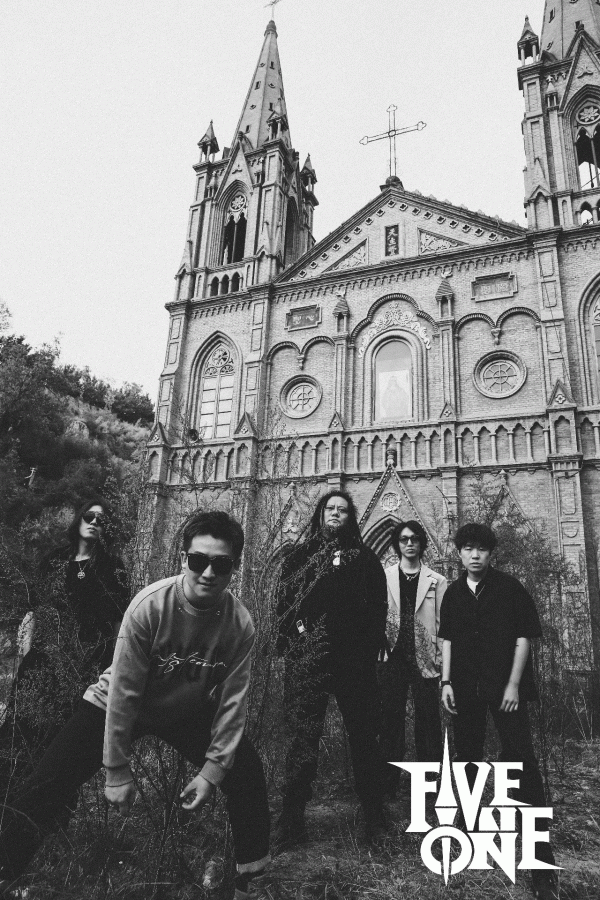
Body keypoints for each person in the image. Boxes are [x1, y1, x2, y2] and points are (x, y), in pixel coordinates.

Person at [0, 510, 270, 900]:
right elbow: (124, 692)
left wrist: (211, 774)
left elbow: (233, 704)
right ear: (184, 559)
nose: (209, 572)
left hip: (183, 709)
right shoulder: (150, 605)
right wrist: (116, 769)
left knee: (246, 770)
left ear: (235, 567)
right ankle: (5, 869)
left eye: (221, 564)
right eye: (199, 560)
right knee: (47, 783)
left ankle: (250, 882)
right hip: (116, 703)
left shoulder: (239, 624)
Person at [439, 523, 559, 900]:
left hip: (506, 689)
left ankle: (541, 863)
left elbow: (523, 637)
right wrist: (445, 682)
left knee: (522, 762)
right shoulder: (453, 593)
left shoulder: (510, 588)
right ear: (460, 553)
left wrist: (513, 684)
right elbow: (447, 639)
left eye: (482, 549)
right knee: (467, 759)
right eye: (468, 548)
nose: (475, 555)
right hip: (465, 689)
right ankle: (469, 835)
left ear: (491, 553)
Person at [275, 491, 388, 848]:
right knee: (303, 738)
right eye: (330, 509)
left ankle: (374, 817)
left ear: (351, 518)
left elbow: (379, 609)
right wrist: (297, 640)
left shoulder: (365, 559)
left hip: (354, 664)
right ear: (320, 515)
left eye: (343, 510)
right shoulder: (299, 557)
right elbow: (284, 604)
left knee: (364, 737)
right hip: (309, 660)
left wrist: (366, 649)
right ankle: (292, 820)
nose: (336, 514)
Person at [0, 498, 128, 789]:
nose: (94, 522)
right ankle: (9, 798)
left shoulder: (112, 567)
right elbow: (34, 610)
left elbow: (119, 622)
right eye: (89, 516)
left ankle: (50, 807)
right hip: (43, 660)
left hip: (86, 665)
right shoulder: (55, 560)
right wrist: (27, 653)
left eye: (101, 520)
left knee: (62, 744)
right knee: (21, 730)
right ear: (79, 519)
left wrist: (115, 667)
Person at [378, 520, 447, 793]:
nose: (409, 543)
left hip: (425, 658)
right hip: (392, 657)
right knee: (390, 720)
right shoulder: (384, 576)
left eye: (414, 539)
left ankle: (429, 786)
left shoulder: (437, 580)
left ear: (421, 543)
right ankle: (388, 784)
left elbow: (443, 624)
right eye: (404, 539)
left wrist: (440, 659)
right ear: (397, 544)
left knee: (428, 722)